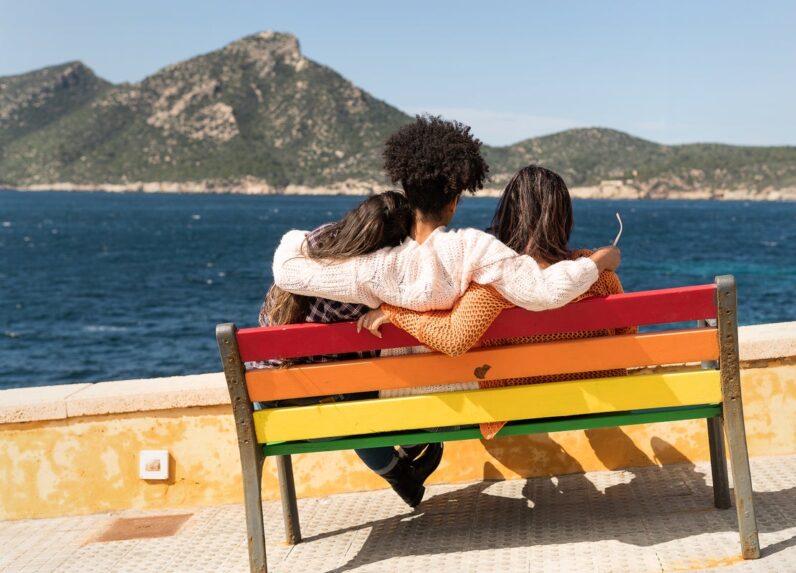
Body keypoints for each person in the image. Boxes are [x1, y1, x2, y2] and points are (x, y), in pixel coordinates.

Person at [357, 166, 637, 438]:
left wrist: (393, 311)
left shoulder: (494, 282)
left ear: (509, 215)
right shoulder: (596, 275)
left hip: (518, 407)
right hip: (595, 399)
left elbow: (452, 339)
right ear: (564, 217)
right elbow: (627, 336)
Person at [272, 115, 622, 313]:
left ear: (406, 189)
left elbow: (287, 273)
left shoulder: (376, 267)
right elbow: (543, 292)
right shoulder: (472, 249)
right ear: (455, 198)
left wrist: (297, 238)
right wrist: (601, 260)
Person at [254, 191, 442, 508]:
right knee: (361, 398)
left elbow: (293, 241)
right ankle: (407, 463)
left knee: (349, 391)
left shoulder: (316, 243)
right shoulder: (366, 286)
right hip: (322, 413)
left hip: (272, 404)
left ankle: (403, 473)